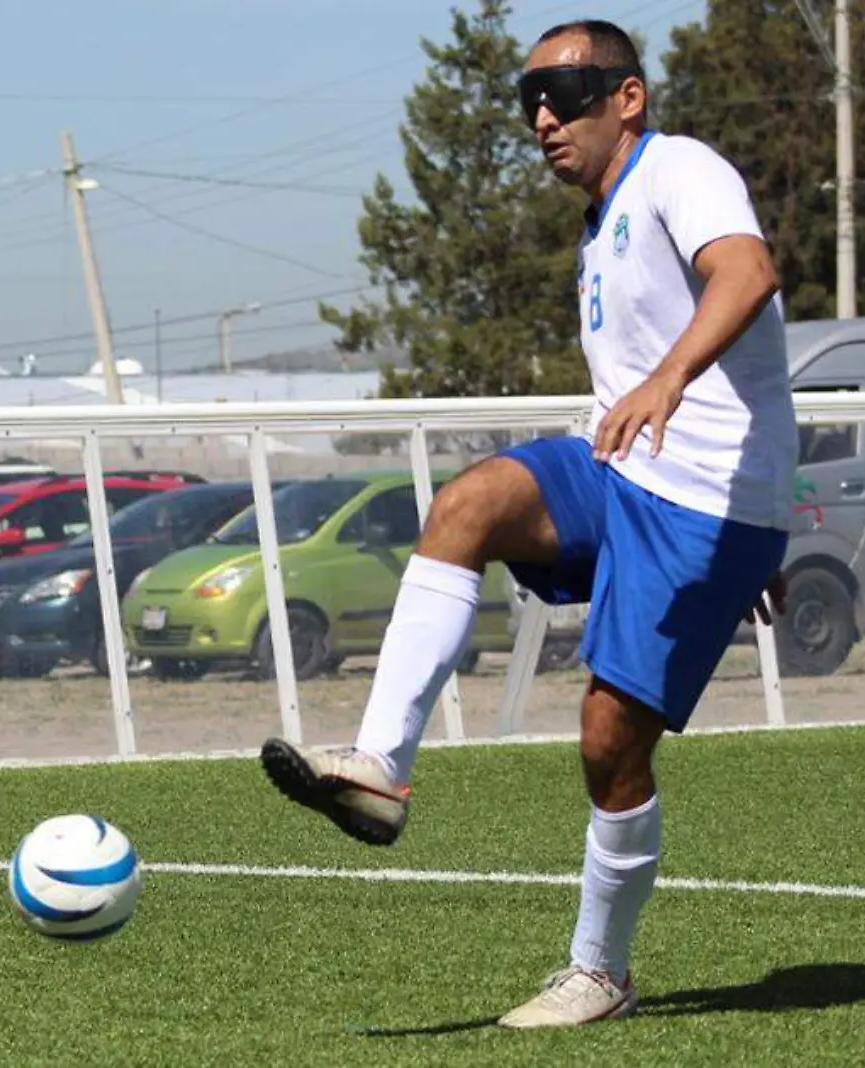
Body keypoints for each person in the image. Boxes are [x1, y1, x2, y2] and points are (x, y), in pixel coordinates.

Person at [259, 19, 795, 1029]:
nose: (544, 115)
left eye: (568, 89)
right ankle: (380, 769)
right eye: (529, 98)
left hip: (700, 500)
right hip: (623, 468)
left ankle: (600, 972)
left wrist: (700, 442)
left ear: (628, 96)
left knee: (606, 745)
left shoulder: (682, 167)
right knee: (465, 504)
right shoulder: (600, 223)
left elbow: (747, 277)